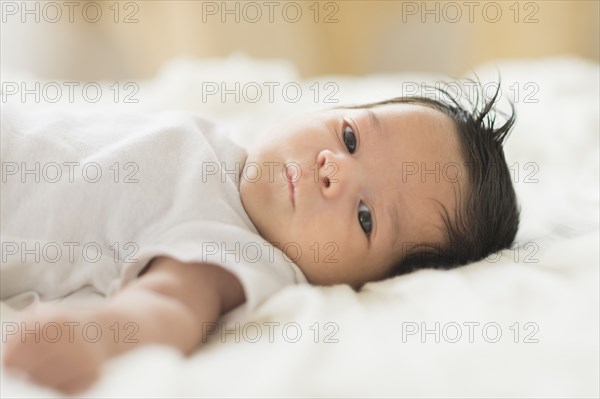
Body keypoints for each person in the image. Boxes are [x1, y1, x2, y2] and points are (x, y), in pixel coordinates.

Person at [1, 81, 519, 394]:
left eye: (365, 216)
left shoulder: (237, 247)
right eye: (351, 137)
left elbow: (170, 307)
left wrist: (97, 338)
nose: (333, 168)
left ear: (370, 280)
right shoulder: (224, 149)